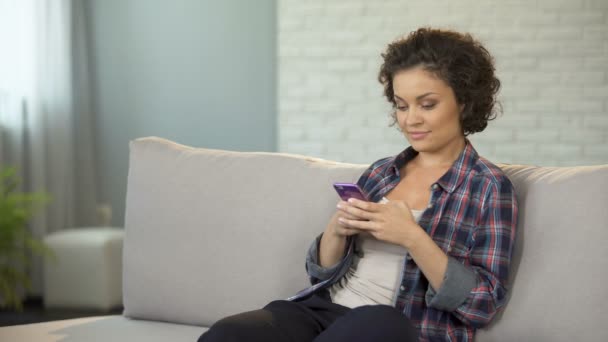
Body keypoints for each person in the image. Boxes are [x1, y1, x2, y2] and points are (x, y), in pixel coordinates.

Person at [198, 27, 518, 342]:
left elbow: (483, 303)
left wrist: (412, 237)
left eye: (428, 104)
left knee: (376, 322)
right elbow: (321, 274)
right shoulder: (381, 172)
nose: (410, 120)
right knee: (230, 333)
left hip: (402, 326)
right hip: (326, 312)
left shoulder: (488, 187)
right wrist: (336, 231)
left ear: (463, 101)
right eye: (402, 105)